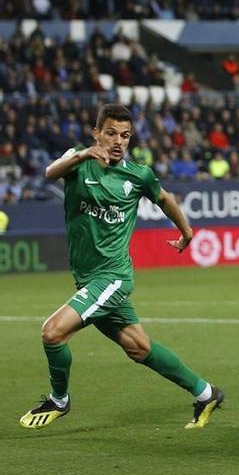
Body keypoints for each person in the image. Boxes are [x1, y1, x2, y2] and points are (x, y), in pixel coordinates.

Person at [19, 104, 223, 429]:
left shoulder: (137, 175)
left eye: (125, 136)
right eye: (111, 133)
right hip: (88, 280)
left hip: (113, 278)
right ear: (96, 133)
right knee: (138, 347)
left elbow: (166, 199)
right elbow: (50, 172)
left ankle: (59, 400)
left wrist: (186, 232)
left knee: (52, 333)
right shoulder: (78, 162)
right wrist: (84, 155)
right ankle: (206, 393)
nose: (118, 141)